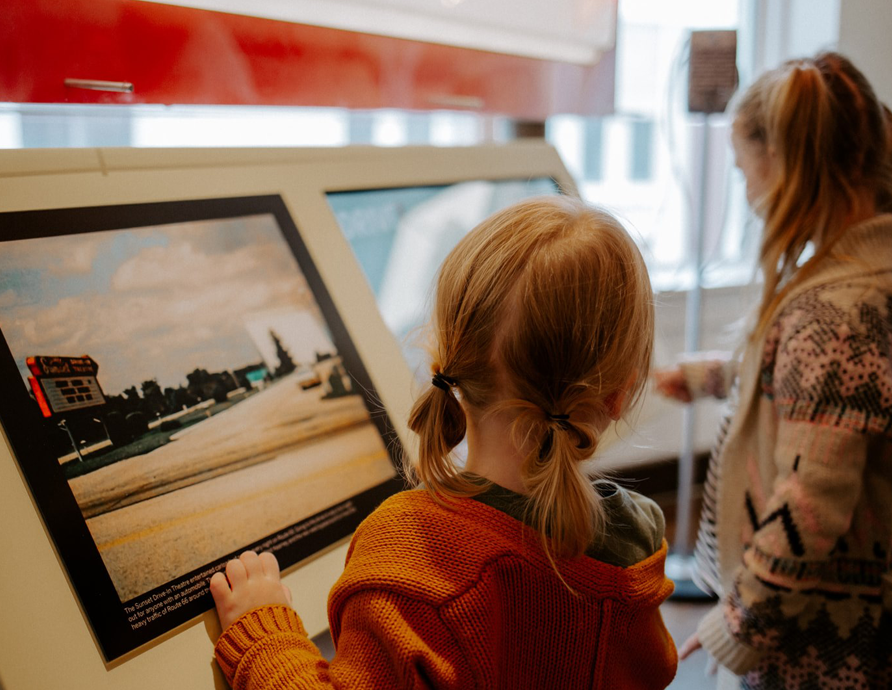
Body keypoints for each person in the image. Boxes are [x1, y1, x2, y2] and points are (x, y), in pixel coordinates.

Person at [208, 195, 678, 689]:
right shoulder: (635, 547)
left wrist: (263, 635)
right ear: (619, 394)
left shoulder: (409, 556)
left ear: (446, 354)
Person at [656, 52, 892, 689]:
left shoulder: (833, 314)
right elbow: (838, 396)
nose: (747, 192)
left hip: (827, 649)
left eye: (743, 170)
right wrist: (712, 377)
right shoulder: (870, 280)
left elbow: (810, 508)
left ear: (784, 164)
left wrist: (732, 627)